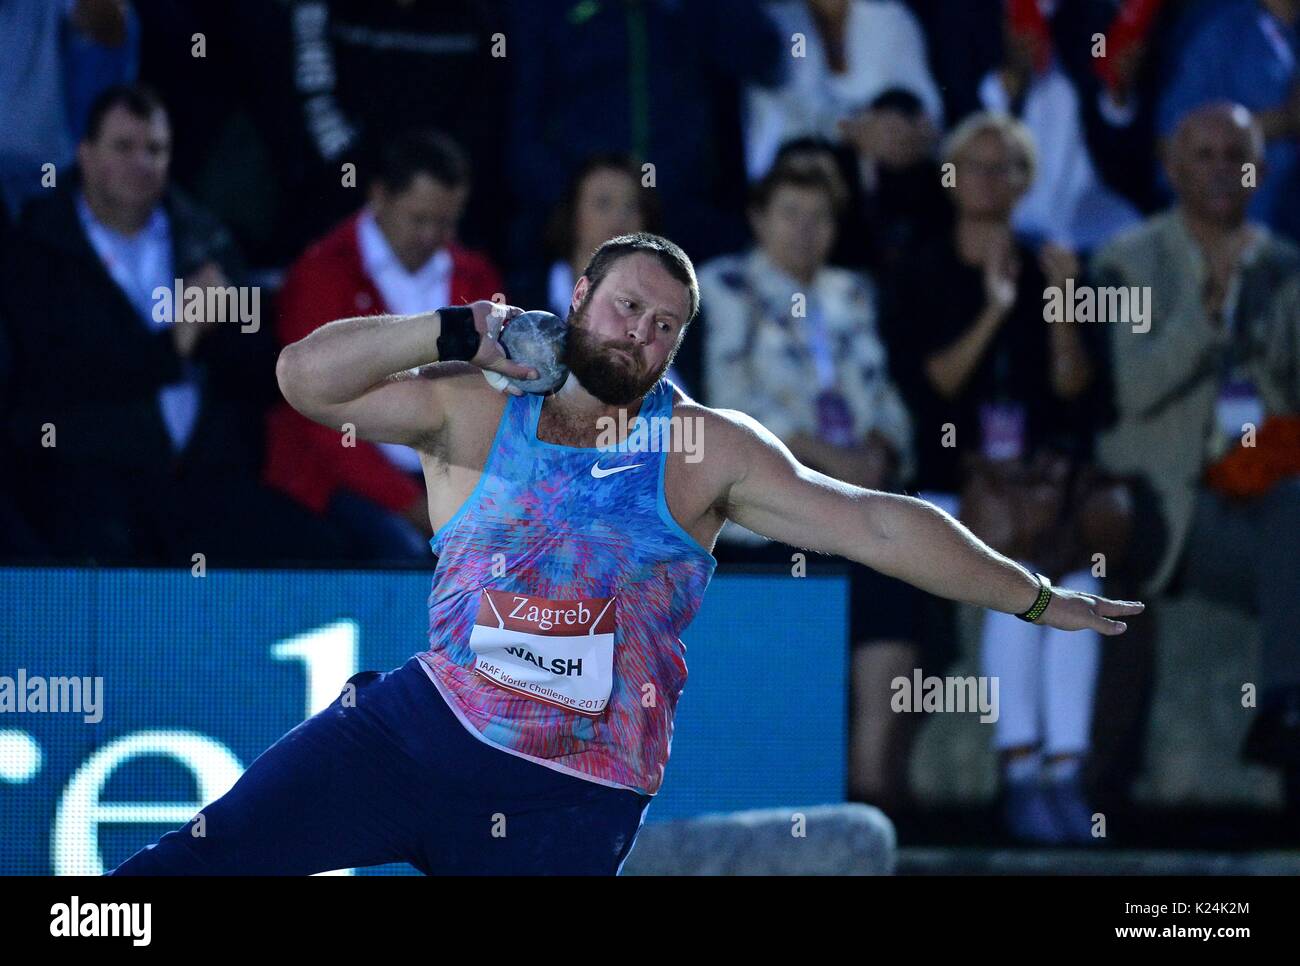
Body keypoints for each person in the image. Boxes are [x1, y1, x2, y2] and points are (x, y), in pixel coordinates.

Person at [109, 232, 1143, 875]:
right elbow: (305, 380)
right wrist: (458, 328)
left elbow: (874, 520)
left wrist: (1034, 597)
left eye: (664, 328)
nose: (640, 335)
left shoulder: (704, 452)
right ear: (577, 296)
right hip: (421, 732)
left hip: (576, 794)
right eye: (625, 308)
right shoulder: (476, 410)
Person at [881, 113, 1119, 843]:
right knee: (1014, 581)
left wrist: (1061, 311)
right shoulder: (920, 265)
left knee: (1082, 591)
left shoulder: (1057, 263)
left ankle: (1062, 773)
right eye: (974, 166)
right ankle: (1019, 769)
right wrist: (994, 308)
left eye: (1006, 167)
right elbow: (935, 387)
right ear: (951, 178)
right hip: (954, 485)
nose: (989, 181)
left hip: (1041, 487)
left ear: (1025, 181)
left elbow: (1082, 395)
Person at [1, 84, 342, 566]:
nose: (142, 163)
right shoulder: (39, 245)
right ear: (86, 154)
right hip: (87, 483)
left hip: (205, 481)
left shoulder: (205, 236)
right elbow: (56, 373)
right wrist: (175, 342)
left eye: (155, 149)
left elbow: (259, 370)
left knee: (316, 549)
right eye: (124, 147)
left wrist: (219, 329)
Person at [1092, 102, 1300, 813]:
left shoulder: (1285, 268)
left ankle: (1285, 714)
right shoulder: (1127, 259)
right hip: (1171, 500)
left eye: (1235, 156)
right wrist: (1209, 313)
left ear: (1261, 171)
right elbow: (1134, 387)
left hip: (1265, 493)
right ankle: (1286, 713)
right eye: (1202, 155)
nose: (1220, 170)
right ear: (1171, 166)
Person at [698, 162, 926, 810]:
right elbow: (732, 404)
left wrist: (881, 446)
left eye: (820, 216)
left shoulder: (850, 291)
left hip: (854, 495)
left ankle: (871, 786)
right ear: (759, 218)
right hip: (767, 503)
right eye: (790, 213)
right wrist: (822, 456)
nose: (805, 230)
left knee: (898, 573)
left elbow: (885, 398)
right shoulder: (724, 286)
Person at [262, 130, 502, 563]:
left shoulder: (477, 279)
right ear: (378, 196)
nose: (432, 236)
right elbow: (320, 419)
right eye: (418, 219)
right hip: (340, 479)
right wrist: (417, 508)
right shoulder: (322, 272)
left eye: (446, 223)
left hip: (448, 480)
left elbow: (495, 398)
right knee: (402, 556)